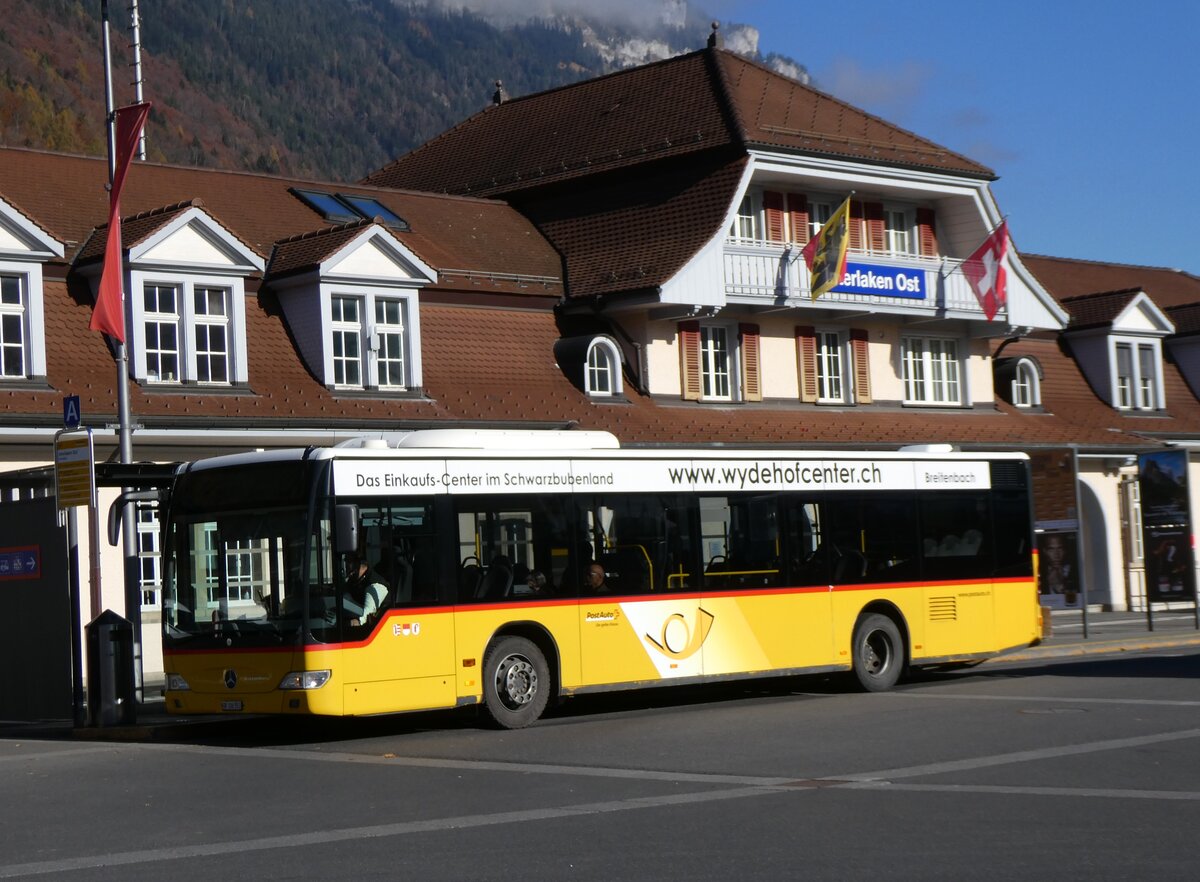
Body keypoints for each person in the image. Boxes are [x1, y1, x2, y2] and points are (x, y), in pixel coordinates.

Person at [344, 553, 389, 627]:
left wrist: (343, 623)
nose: (346, 566)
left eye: (349, 562)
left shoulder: (374, 586)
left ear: (359, 564)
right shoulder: (355, 580)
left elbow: (365, 618)